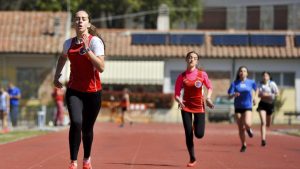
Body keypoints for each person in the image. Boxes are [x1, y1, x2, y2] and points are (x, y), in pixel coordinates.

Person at [53, 10, 105, 169]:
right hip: (74, 90)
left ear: (88, 23)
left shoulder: (95, 42)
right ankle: (73, 161)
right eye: (77, 19)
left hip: (93, 92)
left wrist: (87, 49)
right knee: (76, 122)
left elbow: (101, 67)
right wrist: (57, 75)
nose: (80, 21)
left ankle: (87, 159)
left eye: (83, 19)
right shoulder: (68, 43)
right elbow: (62, 57)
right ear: (74, 23)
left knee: (87, 128)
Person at [174, 51, 214, 167]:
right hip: (186, 106)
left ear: (197, 61)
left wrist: (209, 98)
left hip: (199, 106)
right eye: (190, 57)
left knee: (199, 134)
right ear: (186, 60)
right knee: (188, 133)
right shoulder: (181, 77)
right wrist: (179, 101)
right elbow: (176, 94)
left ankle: (195, 124)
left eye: (194, 58)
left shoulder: (202, 74)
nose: (192, 59)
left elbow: (209, 87)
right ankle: (192, 157)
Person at [228, 66, 258, 152]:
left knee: (247, 123)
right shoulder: (234, 83)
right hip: (238, 107)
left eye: (244, 71)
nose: (242, 72)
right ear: (238, 73)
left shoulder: (251, 82)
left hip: (247, 106)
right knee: (240, 127)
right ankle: (243, 144)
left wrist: (255, 97)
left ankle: (248, 129)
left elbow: (256, 89)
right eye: (241, 71)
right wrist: (233, 95)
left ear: (247, 73)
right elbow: (229, 95)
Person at [257, 71, 279, 147]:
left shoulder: (272, 84)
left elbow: (277, 93)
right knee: (263, 122)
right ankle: (263, 140)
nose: (265, 77)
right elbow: (259, 94)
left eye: (266, 75)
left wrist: (269, 95)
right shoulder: (260, 84)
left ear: (269, 77)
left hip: (270, 104)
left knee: (268, 124)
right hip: (262, 104)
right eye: (263, 75)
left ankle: (268, 123)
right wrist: (263, 95)